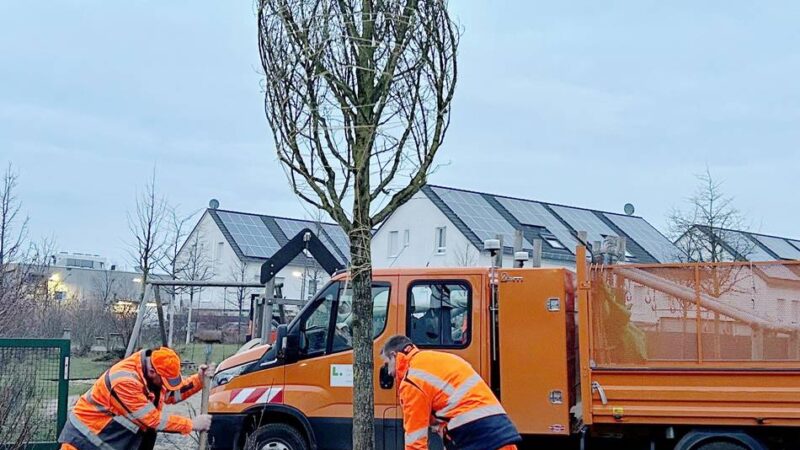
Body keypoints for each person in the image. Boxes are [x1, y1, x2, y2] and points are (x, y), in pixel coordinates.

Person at [381, 335, 522, 450]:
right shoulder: (441, 359)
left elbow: (416, 439)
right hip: (500, 430)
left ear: (394, 356)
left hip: (473, 437)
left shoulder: (412, 380)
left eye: (387, 364)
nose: (389, 372)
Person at [58, 347, 213, 450]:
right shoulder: (125, 381)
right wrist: (191, 424)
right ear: (153, 371)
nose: (166, 385)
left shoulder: (152, 373)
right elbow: (152, 420)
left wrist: (199, 380)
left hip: (106, 439)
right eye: (165, 380)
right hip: (83, 441)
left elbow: (171, 394)